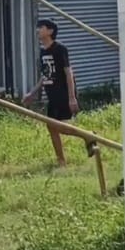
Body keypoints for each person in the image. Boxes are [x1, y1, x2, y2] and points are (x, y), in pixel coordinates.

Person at [23, 18, 79, 167]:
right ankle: (61, 160)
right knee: (51, 126)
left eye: (41, 27)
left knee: (58, 126)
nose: (38, 30)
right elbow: (45, 76)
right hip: (51, 94)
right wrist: (32, 93)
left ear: (50, 31)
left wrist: (72, 97)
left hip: (62, 92)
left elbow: (69, 73)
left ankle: (87, 137)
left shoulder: (60, 49)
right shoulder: (42, 52)